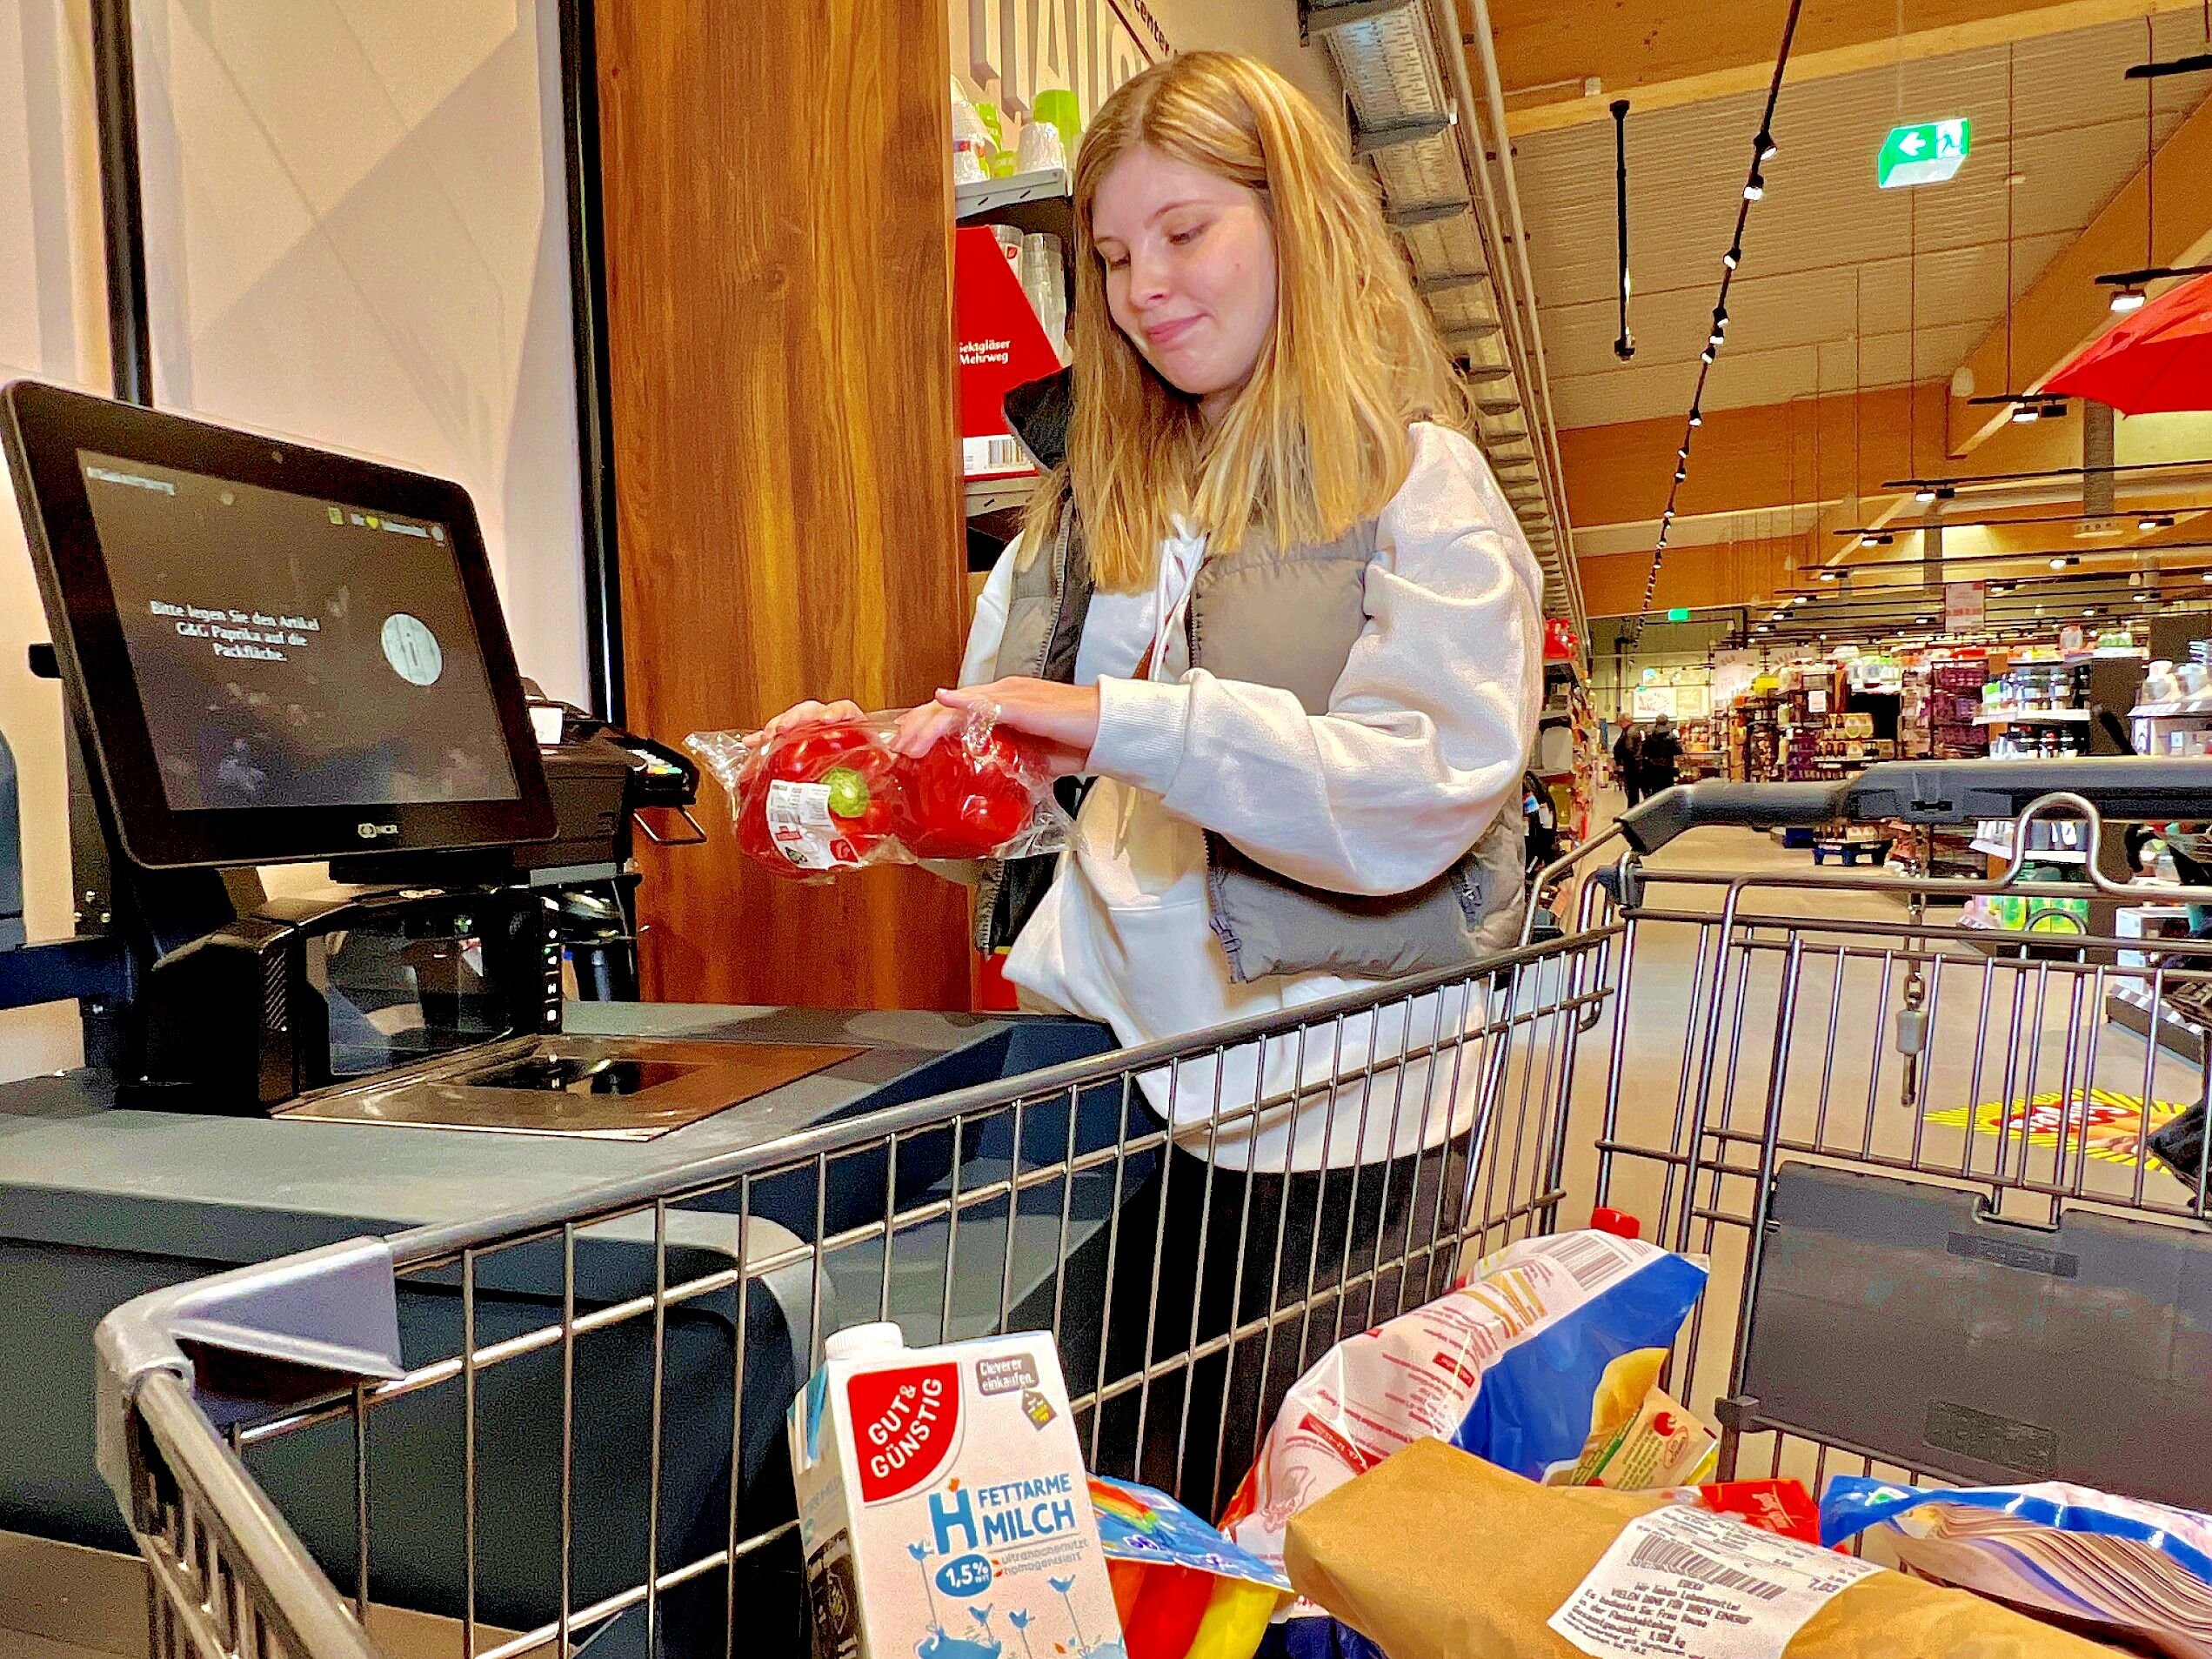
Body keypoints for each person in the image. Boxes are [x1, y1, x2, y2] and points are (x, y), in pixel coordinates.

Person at [756, 51, 1542, 1508]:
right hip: (1089, 1073)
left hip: (1328, 1101)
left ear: (1292, 220)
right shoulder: (1080, 510)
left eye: (1184, 233)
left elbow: (1409, 797)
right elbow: (1025, 789)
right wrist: (889, 774)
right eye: (1114, 255)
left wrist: (1128, 718)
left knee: (1277, 1522)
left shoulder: (1411, 491)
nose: (1141, 288)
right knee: (1040, 1512)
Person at [1638, 714, 1682, 799]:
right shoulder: (1671, 736)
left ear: (1656, 722)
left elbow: (1643, 751)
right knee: (1667, 793)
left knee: (1655, 793)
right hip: (1667, 767)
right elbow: (1678, 751)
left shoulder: (1649, 735)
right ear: (1667, 722)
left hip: (1652, 768)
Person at [1611, 721, 1644, 807]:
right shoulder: (1629, 731)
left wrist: (1621, 761)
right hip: (1633, 763)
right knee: (1633, 789)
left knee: (1632, 789)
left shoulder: (1630, 732)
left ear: (1625, 721)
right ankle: (1633, 807)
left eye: (1620, 722)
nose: (1620, 724)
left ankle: (1633, 808)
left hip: (1631, 764)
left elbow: (1628, 748)